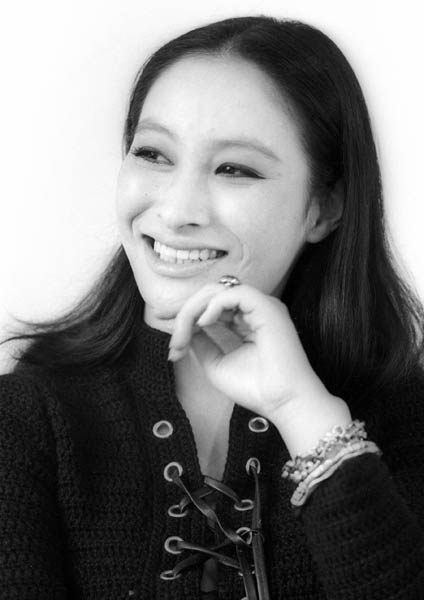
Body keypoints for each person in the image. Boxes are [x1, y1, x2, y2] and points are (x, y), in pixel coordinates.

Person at [1, 14, 423, 600]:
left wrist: (306, 415)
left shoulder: (406, 419)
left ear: (324, 208)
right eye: (153, 154)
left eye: (234, 169)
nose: (177, 212)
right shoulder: (25, 420)